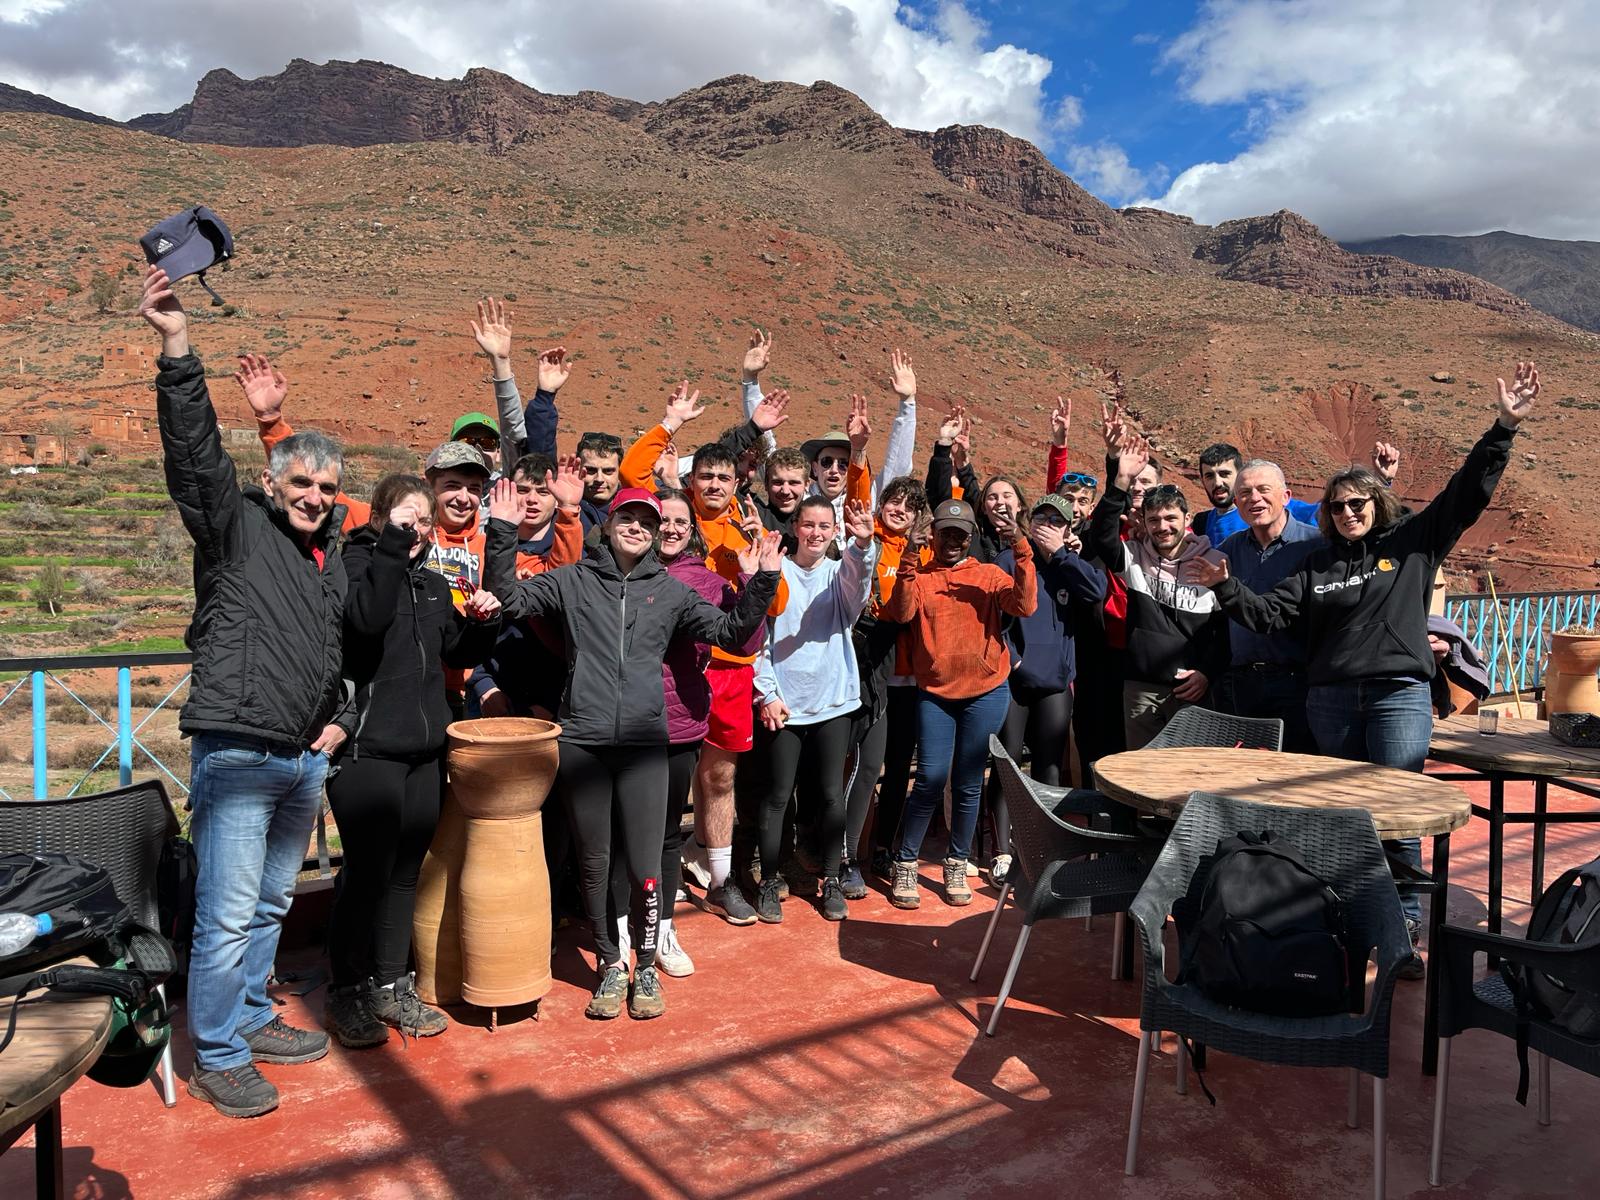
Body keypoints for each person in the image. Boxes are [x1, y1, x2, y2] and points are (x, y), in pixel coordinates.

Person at [1186, 361, 1540, 978]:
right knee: (1344, 809)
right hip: (1328, 699)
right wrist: (1224, 585)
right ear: (1326, 512)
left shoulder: (1412, 545)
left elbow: (1467, 492)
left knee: (1396, 805)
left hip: (1397, 697)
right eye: (1339, 505)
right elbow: (1270, 614)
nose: (1350, 512)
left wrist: (1503, 427)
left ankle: (1400, 923)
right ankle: (1350, 913)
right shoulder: (1315, 562)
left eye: (1359, 502)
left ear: (1377, 503)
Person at [139, 265, 349, 1119]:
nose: (314, 498)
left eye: (327, 490)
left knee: (266, 903)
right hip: (234, 749)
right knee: (226, 914)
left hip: (302, 761)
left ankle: (253, 1017)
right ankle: (217, 1053)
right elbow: (193, 461)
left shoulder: (330, 563)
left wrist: (338, 721)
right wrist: (178, 350)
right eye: (301, 484)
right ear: (272, 483)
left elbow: (343, 653)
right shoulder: (233, 531)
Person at [498, 488, 783, 1019]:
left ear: (656, 533)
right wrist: (499, 533)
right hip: (583, 742)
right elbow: (510, 603)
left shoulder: (670, 591)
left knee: (647, 865)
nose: (636, 526)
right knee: (595, 861)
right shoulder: (572, 580)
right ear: (607, 524)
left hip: (647, 747)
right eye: (626, 517)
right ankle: (610, 964)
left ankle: (645, 966)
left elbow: (731, 633)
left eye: (645, 521)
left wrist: (761, 579)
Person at [325, 475, 503, 1047]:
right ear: (377, 517)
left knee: (404, 877)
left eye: (423, 522)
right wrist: (390, 552)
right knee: (365, 876)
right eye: (406, 519)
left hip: (425, 751)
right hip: (367, 751)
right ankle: (346, 991)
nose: (417, 530)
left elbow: (457, 653)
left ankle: (389, 983)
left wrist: (481, 622)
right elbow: (368, 622)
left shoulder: (430, 584)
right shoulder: (353, 569)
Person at [619, 384, 791, 926]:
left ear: (738, 483)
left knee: (718, 778)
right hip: (673, 671)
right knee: (664, 781)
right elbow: (631, 474)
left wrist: (753, 561)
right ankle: (653, 880)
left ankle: (720, 879)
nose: (714, 485)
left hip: (732, 671)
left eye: (724, 478)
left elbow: (776, 606)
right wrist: (670, 423)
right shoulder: (673, 525)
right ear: (689, 485)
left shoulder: (748, 526)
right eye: (705, 478)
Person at [886, 498, 1036, 909]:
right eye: (945, 533)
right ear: (933, 534)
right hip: (935, 693)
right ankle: (906, 862)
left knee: (970, 783)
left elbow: (1024, 605)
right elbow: (900, 613)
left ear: (971, 538)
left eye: (960, 534)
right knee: (931, 778)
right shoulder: (920, 576)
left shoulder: (989, 575)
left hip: (986, 690)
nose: (952, 541)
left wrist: (1021, 546)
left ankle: (957, 860)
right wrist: (909, 556)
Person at [751, 497, 879, 921]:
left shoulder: (837, 573)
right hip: (784, 704)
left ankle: (831, 878)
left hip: (832, 703)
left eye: (826, 526)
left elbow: (856, 587)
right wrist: (766, 692)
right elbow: (758, 638)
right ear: (797, 528)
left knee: (828, 795)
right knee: (776, 796)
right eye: (809, 525)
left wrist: (862, 546)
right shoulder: (776, 571)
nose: (817, 533)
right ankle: (769, 881)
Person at [985, 494, 1106, 882]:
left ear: (1069, 528)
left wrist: (1063, 556)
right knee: (1007, 765)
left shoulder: (1070, 564)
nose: (1049, 525)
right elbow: (991, 620)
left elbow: (1096, 592)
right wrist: (1013, 659)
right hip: (1015, 679)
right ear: (1030, 521)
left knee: (1049, 766)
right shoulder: (1010, 560)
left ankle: (1043, 849)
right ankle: (1002, 852)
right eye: (1043, 518)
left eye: (1059, 520)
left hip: (1055, 681)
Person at [1088, 431, 1228, 748]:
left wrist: (1206, 673)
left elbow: (1225, 632)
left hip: (1194, 689)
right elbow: (1102, 537)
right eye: (1154, 520)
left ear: (1187, 518)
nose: (1162, 527)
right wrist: (1120, 479)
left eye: (1170, 518)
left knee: (1194, 772)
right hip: (1141, 690)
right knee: (1143, 776)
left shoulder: (1214, 563)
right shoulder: (1134, 558)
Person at [847, 476, 929, 889]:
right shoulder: (867, 539)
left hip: (913, 677)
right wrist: (859, 452)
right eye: (893, 502)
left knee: (898, 767)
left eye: (909, 506)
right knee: (861, 765)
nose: (899, 510)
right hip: (871, 671)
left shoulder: (925, 552)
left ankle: (882, 849)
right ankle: (844, 852)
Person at [1210, 459, 1324, 753]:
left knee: (1295, 775)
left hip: (1300, 682)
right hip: (1243, 683)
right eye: (1245, 493)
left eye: (1263, 490)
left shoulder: (1316, 547)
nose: (1254, 499)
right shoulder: (1228, 550)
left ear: (1286, 496)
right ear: (1237, 501)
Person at [1193, 443, 1319, 543]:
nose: (1218, 483)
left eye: (1225, 474)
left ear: (1239, 476)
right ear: (1202, 480)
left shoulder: (1273, 506)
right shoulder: (1202, 523)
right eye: (1209, 476)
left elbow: (1322, 513)